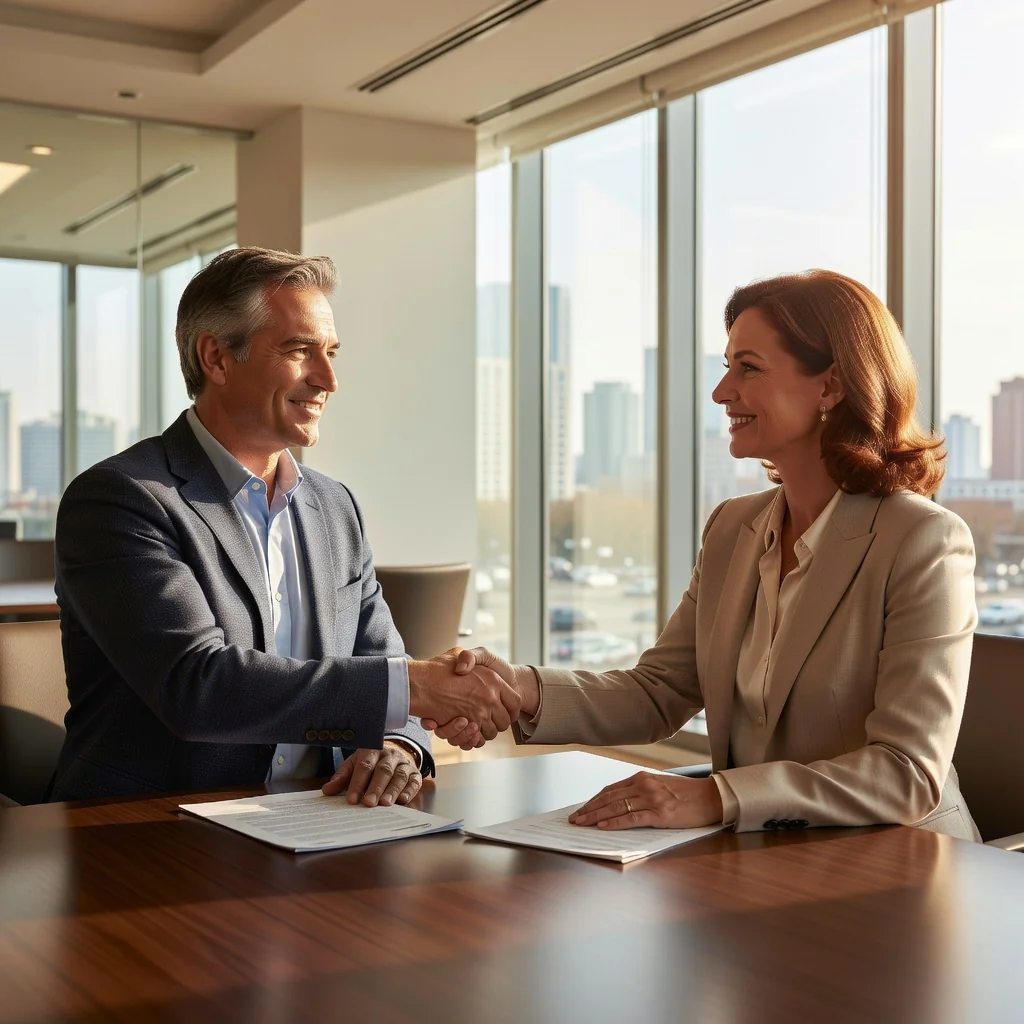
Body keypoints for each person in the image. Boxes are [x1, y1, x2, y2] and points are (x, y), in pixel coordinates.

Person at [431, 270, 980, 841]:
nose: (722, 392)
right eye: (726, 368)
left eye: (749, 368)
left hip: (904, 866)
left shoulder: (923, 542)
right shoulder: (733, 527)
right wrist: (517, 686)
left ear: (831, 386)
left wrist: (715, 796)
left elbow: (907, 772)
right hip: (767, 858)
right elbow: (659, 691)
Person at [51, 247, 519, 804]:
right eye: (300, 350)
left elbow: (381, 672)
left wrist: (395, 745)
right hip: (152, 834)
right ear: (217, 360)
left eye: (332, 353)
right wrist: (417, 689)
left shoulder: (335, 507)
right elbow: (198, 688)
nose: (328, 380)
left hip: (320, 820)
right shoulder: (122, 499)